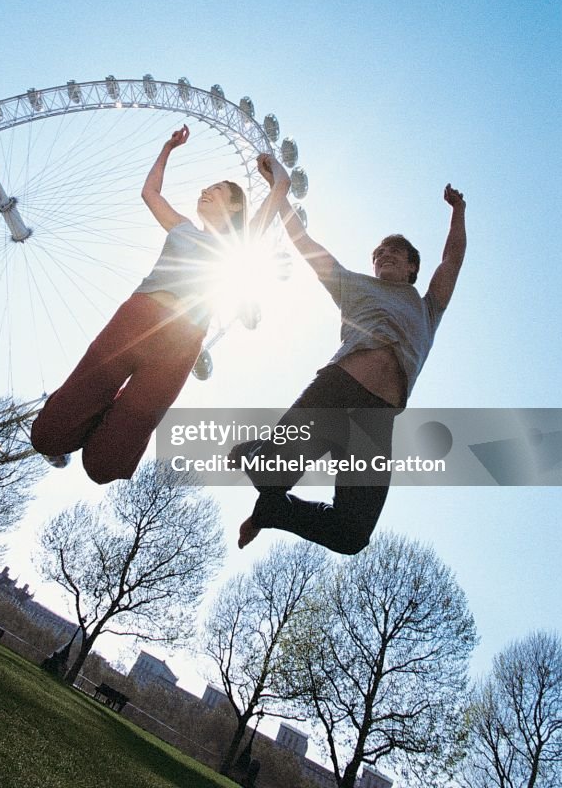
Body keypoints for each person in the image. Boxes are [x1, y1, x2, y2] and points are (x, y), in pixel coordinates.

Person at [31, 125, 290, 485]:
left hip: (180, 343)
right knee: (46, 437)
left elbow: (282, 188)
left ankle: (116, 408)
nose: (204, 190)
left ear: (233, 205)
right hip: (136, 320)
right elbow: (149, 192)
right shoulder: (182, 228)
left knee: (104, 467)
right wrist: (168, 149)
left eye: (215, 189)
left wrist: (272, 167)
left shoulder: (243, 243)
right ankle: (98, 403)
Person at [230, 175, 467, 554]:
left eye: (394, 252)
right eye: (378, 254)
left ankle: (272, 511)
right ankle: (258, 455)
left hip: (375, 421)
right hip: (335, 392)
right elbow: (307, 246)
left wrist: (459, 212)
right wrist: (281, 192)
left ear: (411, 268)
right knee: (266, 474)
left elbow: (451, 261)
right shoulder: (353, 285)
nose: (383, 256)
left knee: (352, 536)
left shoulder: (428, 307)